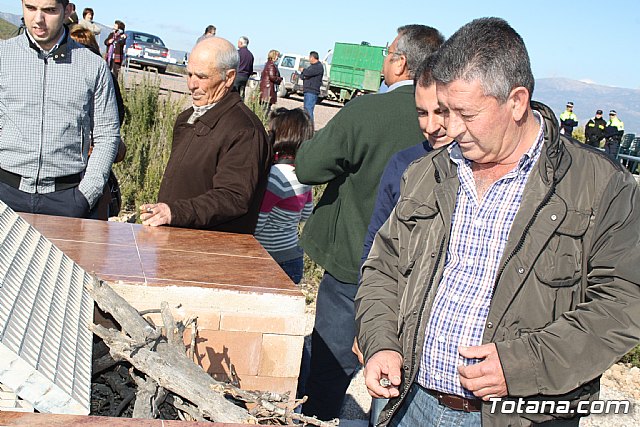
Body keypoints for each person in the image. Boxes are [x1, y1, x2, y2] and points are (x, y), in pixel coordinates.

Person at [355, 17, 640, 427]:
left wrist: (523, 365)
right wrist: (381, 342)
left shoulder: (601, 186)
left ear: (517, 102)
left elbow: (623, 304)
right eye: (446, 111)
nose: (450, 128)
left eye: (466, 114)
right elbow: (383, 268)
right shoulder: (427, 173)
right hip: (410, 404)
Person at [295, 24, 445, 421]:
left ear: (400, 62)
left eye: (386, 53)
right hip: (419, 280)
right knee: (398, 379)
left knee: (328, 371)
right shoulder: (452, 123)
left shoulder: (367, 111)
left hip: (352, 267)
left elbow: (309, 167)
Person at [359, 54, 453, 427]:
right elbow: (376, 248)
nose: (431, 126)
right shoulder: (405, 165)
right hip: (396, 336)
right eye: (421, 113)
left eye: (441, 112)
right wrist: (368, 329)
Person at [0, 0, 119, 219]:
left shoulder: (94, 67)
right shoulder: (3, 56)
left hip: (68, 200)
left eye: (49, 10)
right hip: (5, 193)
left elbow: (107, 135)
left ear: (67, 11)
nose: (38, 19)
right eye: (30, 8)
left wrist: (86, 195)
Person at [139, 37, 271, 234]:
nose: (192, 84)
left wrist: (175, 212)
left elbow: (233, 196)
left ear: (229, 77)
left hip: (209, 247)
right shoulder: (187, 118)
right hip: (175, 239)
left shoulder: (245, 131)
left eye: (201, 76)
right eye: (189, 74)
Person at [69, 26, 127, 220]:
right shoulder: (104, 73)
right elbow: (120, 113)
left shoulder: (101, 74)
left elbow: (116, 116)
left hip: (90, 162)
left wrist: (98, 142)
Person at [254, 108, 314, 284]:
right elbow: (306, 214)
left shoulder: (276, 177)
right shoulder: (303, 173)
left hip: (269, 258)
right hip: (293, 255)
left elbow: (257, 224)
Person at [299, 51, 324, 123]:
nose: (309, 59)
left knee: (308, 109)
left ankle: (310, 126)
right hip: (307, 90)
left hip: (312, 91)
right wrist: (304, 73)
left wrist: (303, 70)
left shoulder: (318, 67)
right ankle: (306, 125)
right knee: (306, 110)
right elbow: (303, 76)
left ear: (313, 57)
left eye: (309, 57)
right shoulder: (311, 66)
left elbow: (307, 73)